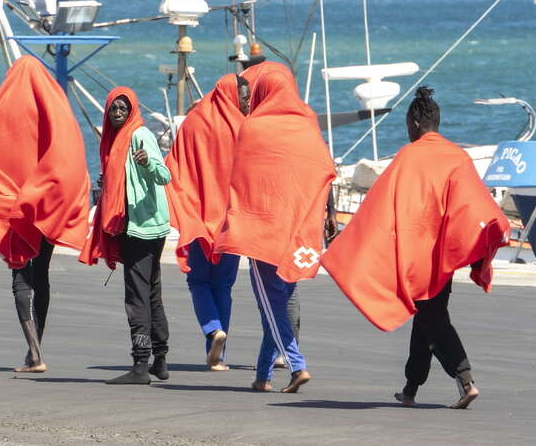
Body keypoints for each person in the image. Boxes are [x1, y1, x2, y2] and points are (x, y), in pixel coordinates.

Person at [321, 86, 510, 409]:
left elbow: (380, 206)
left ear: (416, 125)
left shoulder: (409, 156)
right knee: (426, 317)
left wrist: (354, 243)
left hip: (413, 256)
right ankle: (411, 388)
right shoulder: (457, 156)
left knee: (432, 320)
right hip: (442, 258)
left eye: (409, 125)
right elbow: (471, 204)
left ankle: (465, 379)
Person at [0, 55, 90, 373]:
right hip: (45, 204)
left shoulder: (4, 107)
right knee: (40, 275)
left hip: (14, 207)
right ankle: (34, 352)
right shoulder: (54, 107)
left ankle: (35, 352)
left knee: (21, 276)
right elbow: (69, 152)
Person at [213, 66, 337, 393]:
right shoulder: (308, 123)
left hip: (262, 231)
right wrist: (325, 215)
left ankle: (297, 365)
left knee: (270, 302)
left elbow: (239, 177)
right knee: (278, 301)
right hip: (296, 230)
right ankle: (262, 376)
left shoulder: (254, 126)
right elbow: (324, 169)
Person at [80, 87, 171, 385]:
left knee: (137, 295)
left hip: (141, 227)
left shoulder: (139, 135)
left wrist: (146, 162)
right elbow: (123, 177)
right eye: (113, 109)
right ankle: (160, 359)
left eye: (122, 108)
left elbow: (164, 176)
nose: (117, 113)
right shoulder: (115, 140)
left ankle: (140, 365)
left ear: (132, 109)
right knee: (152, 291)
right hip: (145, 225)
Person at [165, 74, 250, 371]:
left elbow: (174, 165)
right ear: (231, 94)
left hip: (197, 217)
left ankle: (213, 330)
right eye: (243, 96)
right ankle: (219, 355)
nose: (247, 102)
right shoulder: (243, 127)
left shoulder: (193, 121)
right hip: (231, 218)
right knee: (223, 285)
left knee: (198, 281)